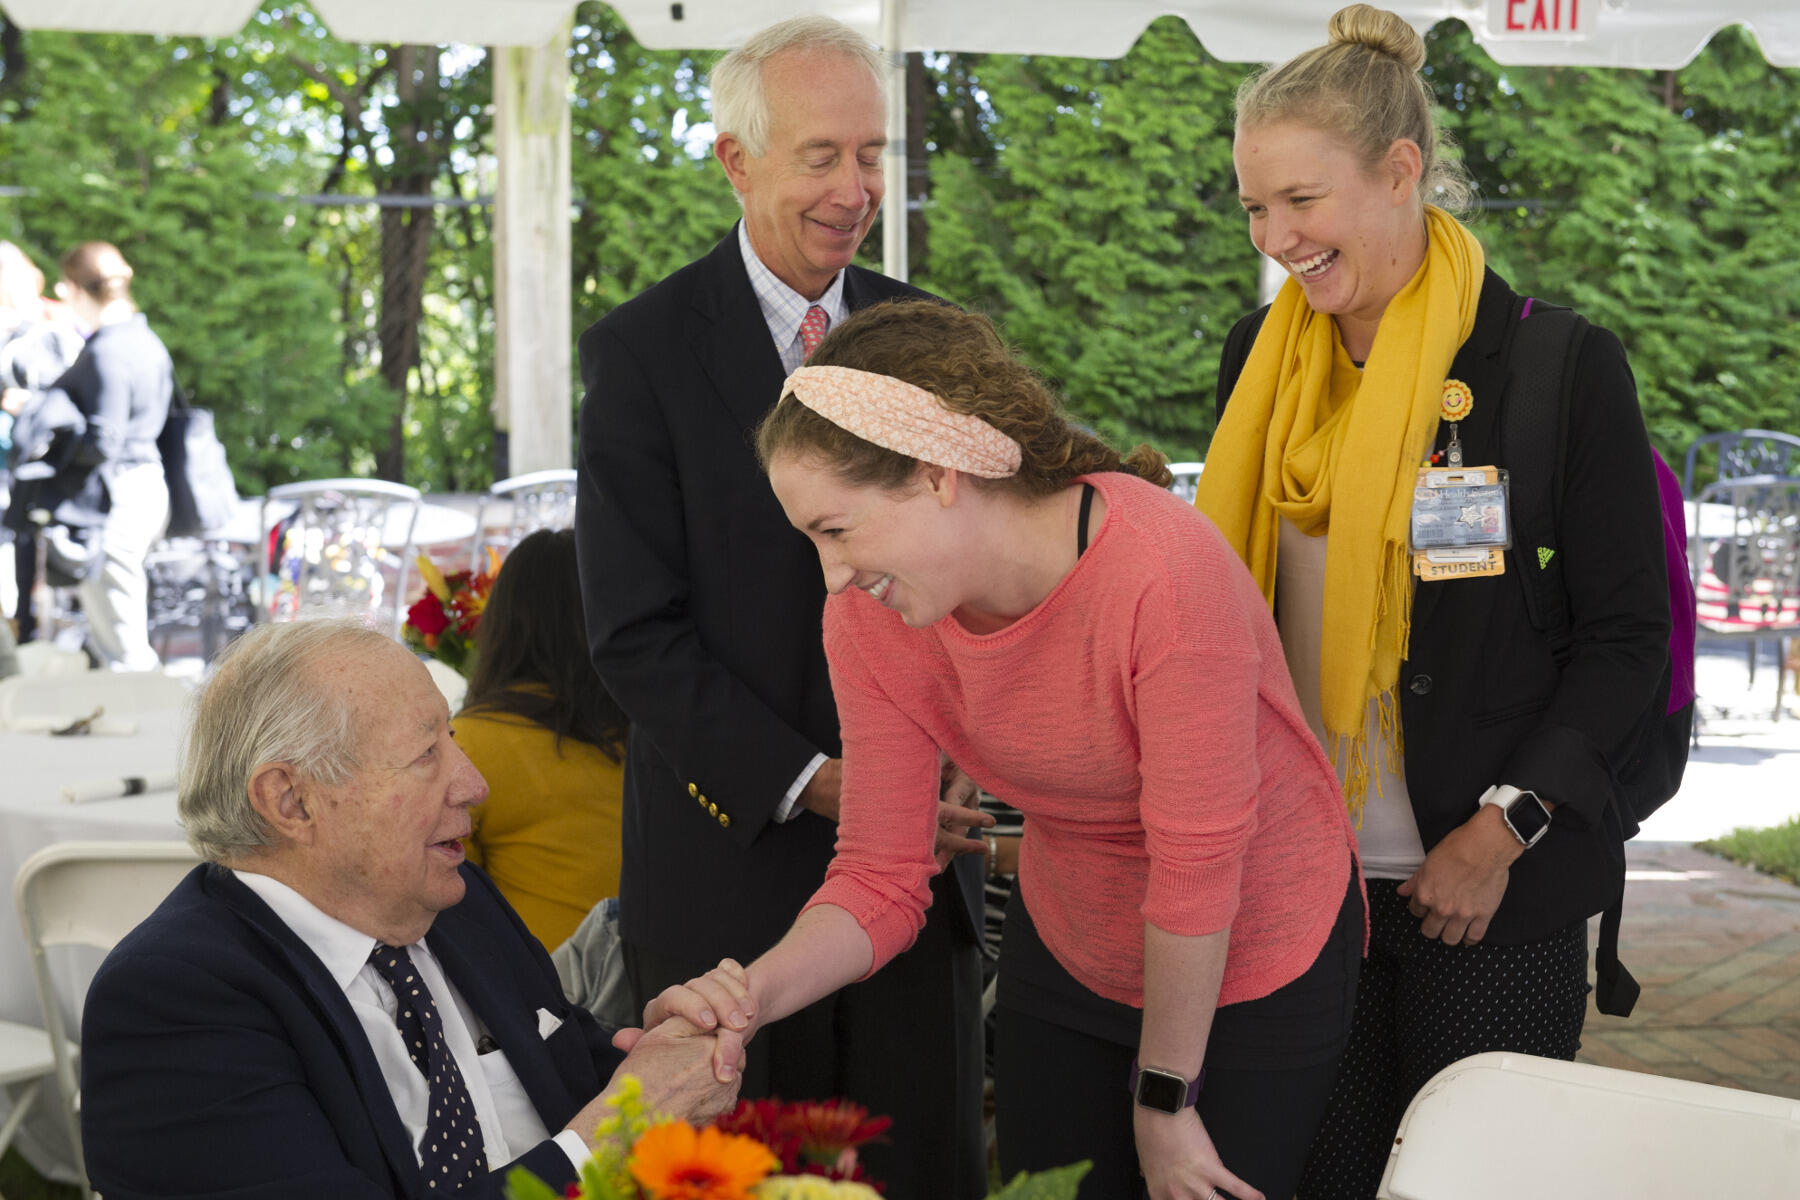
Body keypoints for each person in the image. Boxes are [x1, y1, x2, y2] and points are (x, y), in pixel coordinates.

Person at [656, 299, 1367, 1200]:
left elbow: (1196, 872)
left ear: (937, 473)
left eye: (836, 530)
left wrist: (1165, 1099)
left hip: (1251, 951)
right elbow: (878, 876)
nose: (831, 576)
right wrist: (744, 1001)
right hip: (1072, 943)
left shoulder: (1165, 578)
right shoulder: (871, 618)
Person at [1194, 7, 1671, 1197]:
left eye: (1301, 199)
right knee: (1325, 1179)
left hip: (1488, 888)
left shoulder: (1557, 366)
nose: (1276, 235)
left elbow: (1627, 639)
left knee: (1472, 1182)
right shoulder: (1258, 359)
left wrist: (1502, 827)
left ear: (1400, 172)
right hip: (1304, 891)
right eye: (1255, 206)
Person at [573, 17, 986, 1198]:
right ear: (735, 161)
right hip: (727, 893)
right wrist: (819, 780)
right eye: (821, 157)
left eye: (872, 155)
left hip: (916, 878)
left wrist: (961, 754)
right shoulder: (641, 355)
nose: (856, 190)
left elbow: (988, 582)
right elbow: (634, 638)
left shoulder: (933, 342)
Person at [79, 619, 741, 1200]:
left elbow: (569, 1074)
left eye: (452, 739)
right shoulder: (176, 1003)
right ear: (291, 801)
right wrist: (614, 1132)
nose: (475, 785)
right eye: (427, 755)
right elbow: (597, 1130)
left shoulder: (450, 900)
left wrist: (661, 1058)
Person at [454, 527, 628, 949]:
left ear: (501, 626)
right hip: (679, 982)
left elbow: (445, 910)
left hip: (544, 996)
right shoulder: (658, 734)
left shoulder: (467, 747)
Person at [1, 241, 172, 670]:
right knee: (116, 638)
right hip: (145, 489)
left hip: (119, 500)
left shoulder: (110, 350)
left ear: (72, 288)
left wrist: (41, 421)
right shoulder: (146, 341)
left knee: (124, 649)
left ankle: (152, 733)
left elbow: (103, 439)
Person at [0, 240, 83, 643]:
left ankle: (33, 637)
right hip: (12, 471)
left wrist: (24, 408)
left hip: (36, 474)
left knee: (33, 570)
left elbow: (66, 407)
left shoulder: (48, 333)